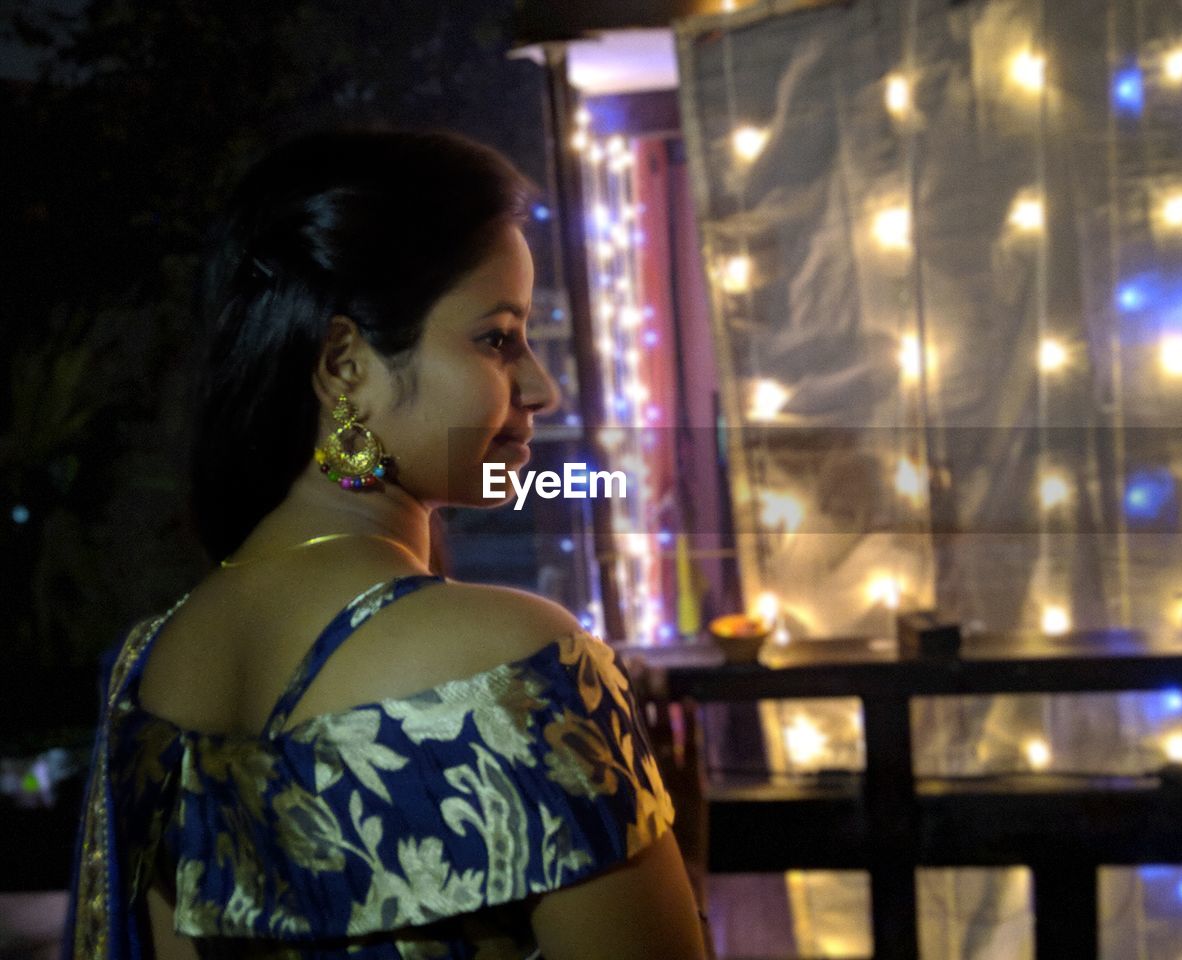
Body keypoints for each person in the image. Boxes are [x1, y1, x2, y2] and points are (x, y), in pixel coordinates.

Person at [63, 128, 710, 960]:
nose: (540, 390)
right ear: (344, 366)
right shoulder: (516, 667)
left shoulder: (149, 671)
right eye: (498, 339)